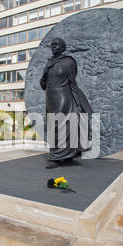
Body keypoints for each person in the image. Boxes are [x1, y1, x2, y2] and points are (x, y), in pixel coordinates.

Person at [40, 37, 93, 169]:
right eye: (52, 45)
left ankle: (56, 157)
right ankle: (65, 155)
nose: (53, 46)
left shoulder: (68, 62)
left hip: (63, 95)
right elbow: (43, 85)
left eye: (56, 44)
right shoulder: (49, 62)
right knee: (53, 125)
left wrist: (80, 102)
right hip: (50, 97)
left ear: (63, 47)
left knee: (60, 124)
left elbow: (72, 82)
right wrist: (45, 73)